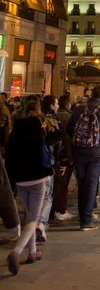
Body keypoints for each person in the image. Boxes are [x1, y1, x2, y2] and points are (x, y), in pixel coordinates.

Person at [5, 99, 54, 275]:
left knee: (28, 216)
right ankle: (16, 251)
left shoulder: (15, 130)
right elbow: (52, 143)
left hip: (20, 180)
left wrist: (12, 182)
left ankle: (32, 252)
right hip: (38, 178)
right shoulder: (39, 128)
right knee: (33, 219)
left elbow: (8, 156)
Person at [67, 86, 100, 230]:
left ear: (90, 95)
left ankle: (83, 216)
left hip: (78, 149)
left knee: (82, 183)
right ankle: (86, 221)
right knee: (91, 183)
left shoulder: (78, 109)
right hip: (96, 151)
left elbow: (69, 130)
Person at [36, 95, 63, 242]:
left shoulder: (29, 121)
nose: (57, 106)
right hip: (48, 161)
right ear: (52, 105)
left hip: (30, 163)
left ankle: (33, 222)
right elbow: (56, 143)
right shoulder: (51, 121)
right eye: (56, 103)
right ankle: (41, 223)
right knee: (47, 195)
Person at [52, 95, 74, 221]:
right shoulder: (70, 117)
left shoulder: (54, 116)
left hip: (55, 155)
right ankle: (61, 209)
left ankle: (55, 209)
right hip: (65, 154)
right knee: (63, 183)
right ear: (68, 104)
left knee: (56, 183)